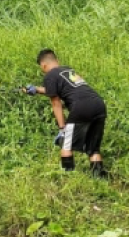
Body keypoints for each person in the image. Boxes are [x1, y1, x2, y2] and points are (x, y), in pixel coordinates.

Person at [25, 49, 107, 178]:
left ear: (43, 65)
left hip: (81, 107)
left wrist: (62, 127)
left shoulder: (50, 75)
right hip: (99, 105)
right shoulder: (67, 71)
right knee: (94, 149)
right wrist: (36, 89)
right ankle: (99, 180)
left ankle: (69, 178)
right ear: (56, 61)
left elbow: (56, 103)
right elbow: (57, 90)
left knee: (66, 145)